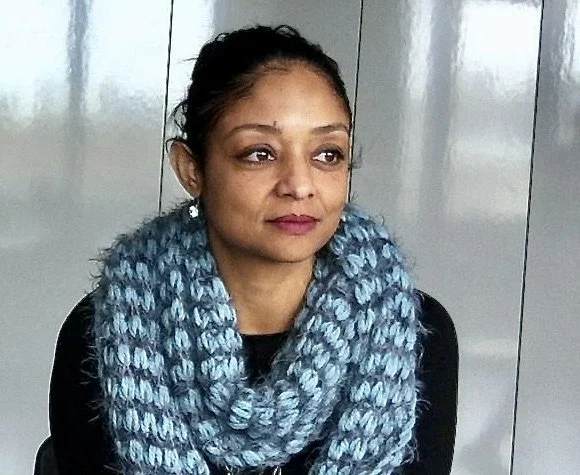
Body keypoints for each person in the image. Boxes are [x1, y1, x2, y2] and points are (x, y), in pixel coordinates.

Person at [49, 25, 457, 474]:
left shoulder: (416, 333)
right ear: (191, 169)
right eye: (260, 153)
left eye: (327, 154)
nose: (300, 185)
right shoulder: (105, 330)